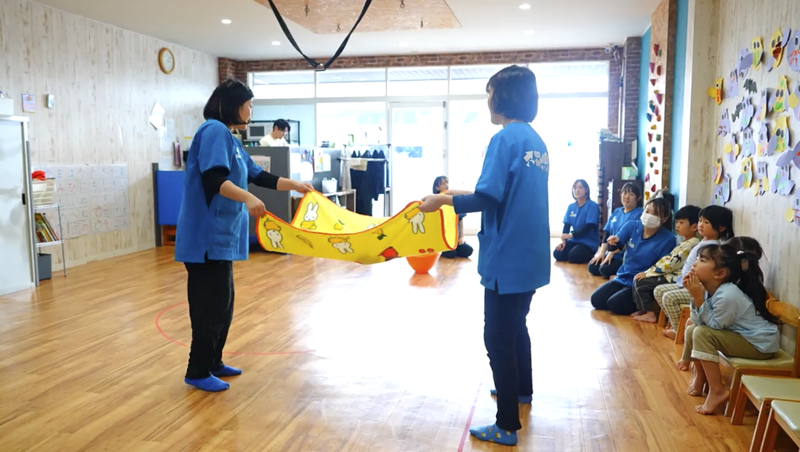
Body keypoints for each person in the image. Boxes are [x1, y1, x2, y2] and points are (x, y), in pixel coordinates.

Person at [418, 65, 549, 447]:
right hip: (530, 255)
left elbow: (488, 197)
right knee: (516, 327)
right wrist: (449, 194)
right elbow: (501, 192)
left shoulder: (503, 139)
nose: (488, 101)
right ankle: (521, 391)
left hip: (507, 258)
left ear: (504, 97)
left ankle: (506, 424)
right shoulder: (536, 141)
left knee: (497, 339)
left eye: (490, 94)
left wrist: (442, 201)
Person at [175, 80, 313, 392]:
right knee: (209, 307)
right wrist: (248, 198)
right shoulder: (213, 131)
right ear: (233, 105)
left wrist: (294, 184)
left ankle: (213, 362)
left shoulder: (232, 138)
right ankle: (197, 370)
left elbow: (258, 175)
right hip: (205, 238)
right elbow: (213, 179)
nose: (251, 111)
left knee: (223, 305)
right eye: (249, 105)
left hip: (222, 239)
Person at [677, 244, 780, 415]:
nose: (694, 264)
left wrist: (698, 298)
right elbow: (698, 321)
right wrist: (696, 297)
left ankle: (717, 390)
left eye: (702, 260)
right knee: (692, 329)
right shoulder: (709, 290)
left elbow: (714, 326)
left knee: (702, 333)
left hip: (759, 345)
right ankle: (701, 377)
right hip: (742, 337)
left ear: (720, 273)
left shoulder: (727, 295)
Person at [654, 206, 734, 339]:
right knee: (659, 290)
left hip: (697, 288)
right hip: (685, 283)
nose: (701, 225)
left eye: (706, 222)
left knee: (669, 297)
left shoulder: (713, 248)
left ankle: (679, 331)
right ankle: (677, 325)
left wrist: (693, 285)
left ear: (721, 228)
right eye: (700, 220)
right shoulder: (704, 242)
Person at [590, 198, 676, 315]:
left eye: (655, 213)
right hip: (624, 276)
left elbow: (662, 266)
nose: (649, 215)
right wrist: (612, 243)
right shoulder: (632, 225)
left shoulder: (668, 239)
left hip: (641, 282)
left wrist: (646, 275)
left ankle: (644, 304)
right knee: (596, 300)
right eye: (647, 211)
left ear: (664, 218)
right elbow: (616, 245)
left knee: (614, 304)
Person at [631, 205, 701, 323]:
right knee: (638, 279)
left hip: (674, 277)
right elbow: (667, 258)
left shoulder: (692, 244)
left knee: (641, 283)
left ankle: (650, 313)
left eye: (681, 223)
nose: (677, 226)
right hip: (669, 274)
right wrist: (648, 272)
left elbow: (671, 264)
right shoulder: (685, 242)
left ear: (694, 227)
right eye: (677, 222)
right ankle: (643, 309)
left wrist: (648, 273)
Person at [587, 183, 643, 278]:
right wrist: (602, 253)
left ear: (638, 198)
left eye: (631, 194)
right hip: (610, 251)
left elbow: (634, 240)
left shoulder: (639, 214)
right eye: (624, 193)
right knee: (592, 267)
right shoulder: (617, 211)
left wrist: (612, 253)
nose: (627, 197)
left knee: (604, 270)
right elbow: (607, 233)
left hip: (624, 255)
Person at [553, 179, 599, 264]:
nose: (577, 190)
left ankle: (589, 254)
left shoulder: (592, 206)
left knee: (574, 256)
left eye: (580, 188)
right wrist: (564, 242)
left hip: (588, 242)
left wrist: (571, 235)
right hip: (574, 240)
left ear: (586, 190)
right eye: (575, 188)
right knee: (557, 254)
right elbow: (566, 225)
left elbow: (589, 226)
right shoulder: (571, 206)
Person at [432, 175, 473, 259]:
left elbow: (460, 220)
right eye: (443, 183)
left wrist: (461, 237)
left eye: (447, 183)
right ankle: (447, 249)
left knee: (468, 250)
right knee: (451, 254)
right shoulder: (435, 202)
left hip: (455, 238)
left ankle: (454, 248)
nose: (446, 185)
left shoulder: (452, 200)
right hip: (444, 239)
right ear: (437, 187)